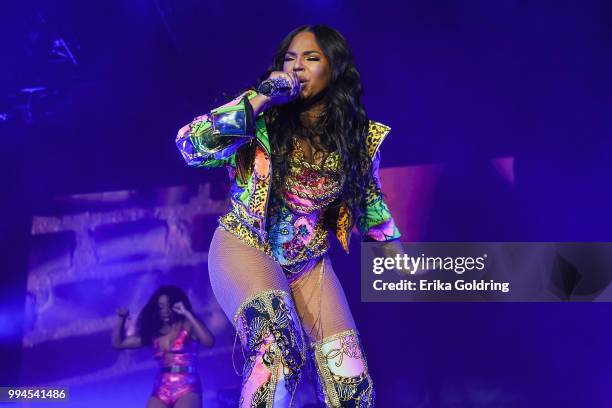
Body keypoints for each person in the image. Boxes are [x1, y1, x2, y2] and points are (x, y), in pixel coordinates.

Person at [176, 24, 400, 407]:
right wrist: (259, 98)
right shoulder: (258, 118)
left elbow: (369, 201)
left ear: (335, 69)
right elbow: (191, 145)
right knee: (277, 352)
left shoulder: (357, 137)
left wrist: (393, 251)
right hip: (246, 246)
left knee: (351, 386)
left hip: (308, 263)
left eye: (311, 58)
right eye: (289, 58)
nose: (297, 67)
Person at [112, 285, 215, 408]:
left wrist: (187, 313)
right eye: (161, 307)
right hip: (161, 387)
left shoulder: (188, 326)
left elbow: (209, 342)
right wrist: (121, 319)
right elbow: (118, 344)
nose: (165, 310)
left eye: (168, 305)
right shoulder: (154, 333)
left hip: (187, 386)